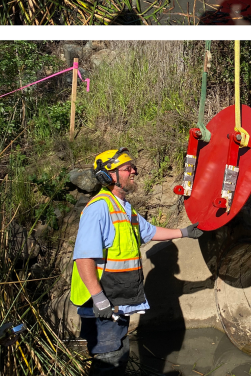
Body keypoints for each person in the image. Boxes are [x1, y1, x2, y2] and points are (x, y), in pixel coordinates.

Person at [70, 148, 203, 375]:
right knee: (108, 361)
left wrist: (183, 232)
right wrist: (99, 298)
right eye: (127, 168)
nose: (134, 171)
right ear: (108, 176)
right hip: (101, 303)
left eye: (133, 167)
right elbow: (84, 256)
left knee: (117, 356)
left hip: (116, 299)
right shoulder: (99, 208)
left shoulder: (125, 208)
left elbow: (149, 231)